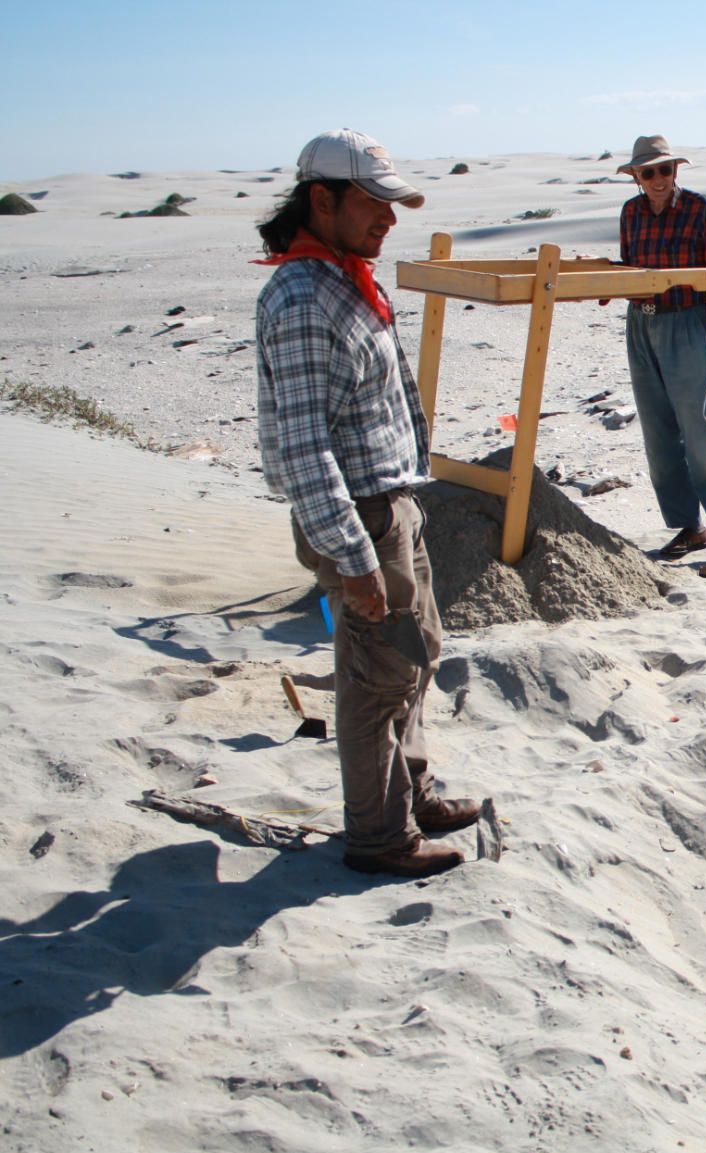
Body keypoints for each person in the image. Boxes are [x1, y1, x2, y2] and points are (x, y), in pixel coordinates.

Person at [255, 129, 479, 878]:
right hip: (357, 516)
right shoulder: (301, 297)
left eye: (394, 204)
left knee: (416, 657)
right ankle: (378, 837)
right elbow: (303, 447)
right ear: (322, 200)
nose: (389, 218)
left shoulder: (342, 277)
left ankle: (412, 795)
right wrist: (354, 559)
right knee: (375, 678)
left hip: (390, 501)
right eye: (374, 203)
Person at [612, 135, 706, 561]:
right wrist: (599, 276)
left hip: (687, 322)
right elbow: (631, 271)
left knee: (700, 427)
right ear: (635, 176)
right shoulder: (631, 212)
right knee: (657, 432)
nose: (657, 179)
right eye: (647, 172)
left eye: (664, 170)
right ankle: (690, 528)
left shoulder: (700, 209)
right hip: (641, 324)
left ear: (676, 171)